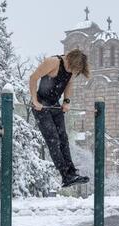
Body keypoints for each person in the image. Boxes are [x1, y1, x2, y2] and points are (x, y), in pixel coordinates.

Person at [29, 49, 91, 188]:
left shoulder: (71, 70)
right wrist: (34, 100)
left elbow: (68, 83)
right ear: (69, 59)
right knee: (53, 139)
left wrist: (67, 101)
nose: (72, 72)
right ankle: (65, 175)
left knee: (63, 138)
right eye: (73, 68)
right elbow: (33, 77)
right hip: (41, 104)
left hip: (54, 105)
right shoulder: (53, 62)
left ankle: (71, 173)